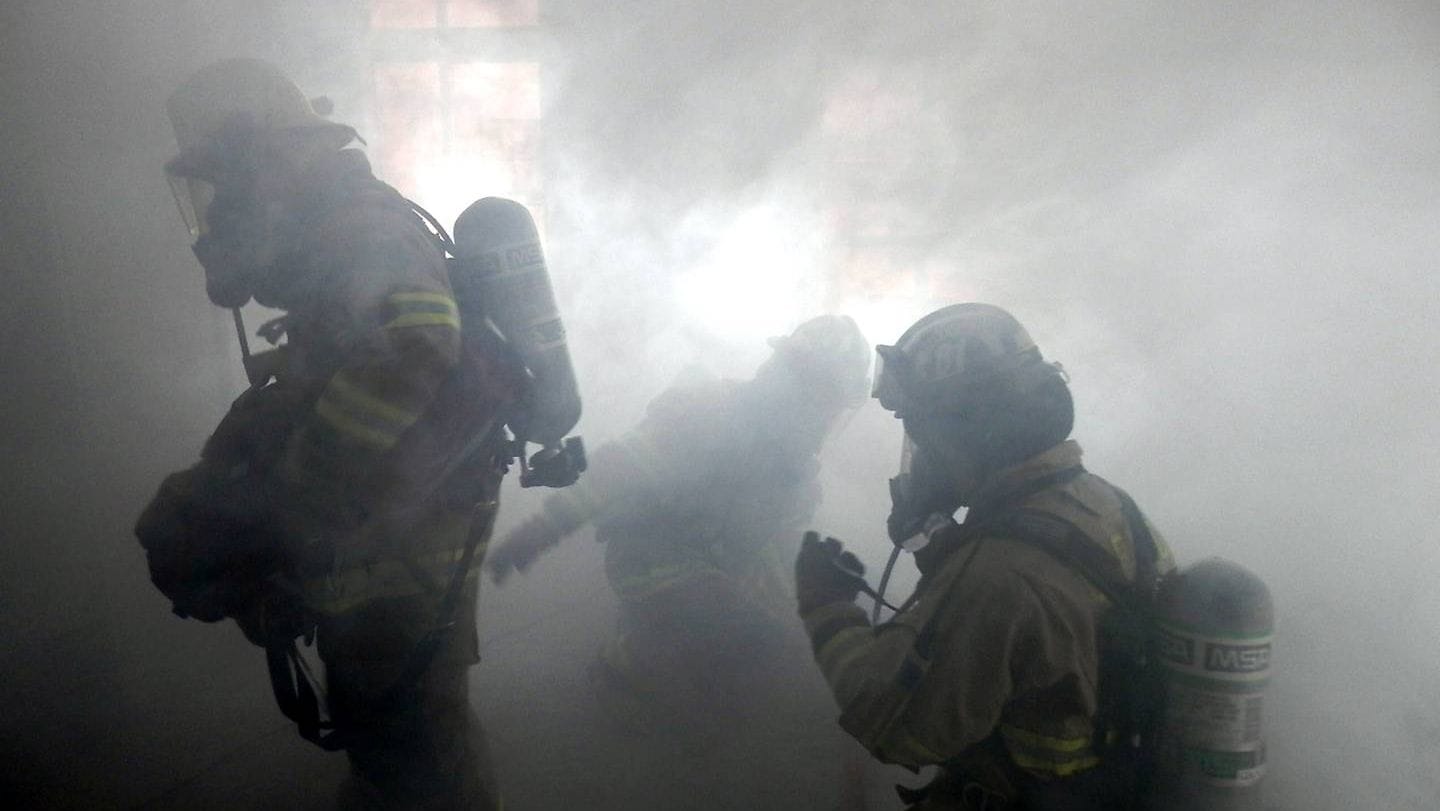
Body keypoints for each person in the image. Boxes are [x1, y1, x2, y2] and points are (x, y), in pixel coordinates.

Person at [160, 58, 521, 809]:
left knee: (422, 758)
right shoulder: (335, 231)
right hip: (392, 535)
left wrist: (300, 494)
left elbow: (420, 339)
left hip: (402, 546)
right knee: (398, 744)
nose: (219, 209)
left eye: (225, 182)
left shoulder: (355, 229)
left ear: (266, 161)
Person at [794, 303, 1176, 810]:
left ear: (969, 428)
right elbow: (1037, 641)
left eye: (924, 431)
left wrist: (828, 609)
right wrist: (943, 549)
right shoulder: (1107, 507)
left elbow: (892, 724)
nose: (921, 453)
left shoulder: (999, 574)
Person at [486, 315, 870, 743]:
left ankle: (662, 707)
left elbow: (778, 561)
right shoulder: (709, 410)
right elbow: (618, 468)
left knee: (761, 654)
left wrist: (792, 630)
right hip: (649, 561)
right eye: (822, 398)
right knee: (734, 633)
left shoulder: (798, 479)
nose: (824, 416)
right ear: (793, 381)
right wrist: (541, 530)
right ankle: (623, 672)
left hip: (710, 577)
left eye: (834, 406)